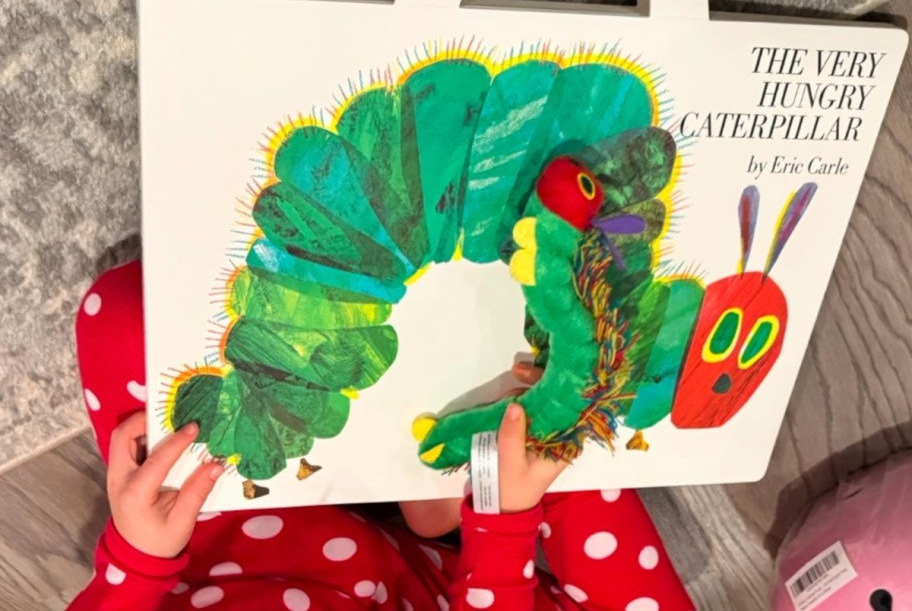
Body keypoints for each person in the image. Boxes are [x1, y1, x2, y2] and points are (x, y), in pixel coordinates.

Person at [69, 261, 694, 610]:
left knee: (122, 316)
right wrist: (503, 519)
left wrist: (136, 561)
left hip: (235, 558)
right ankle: (464, 477)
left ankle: (451, 480)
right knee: (561, 413)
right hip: (467, 591)